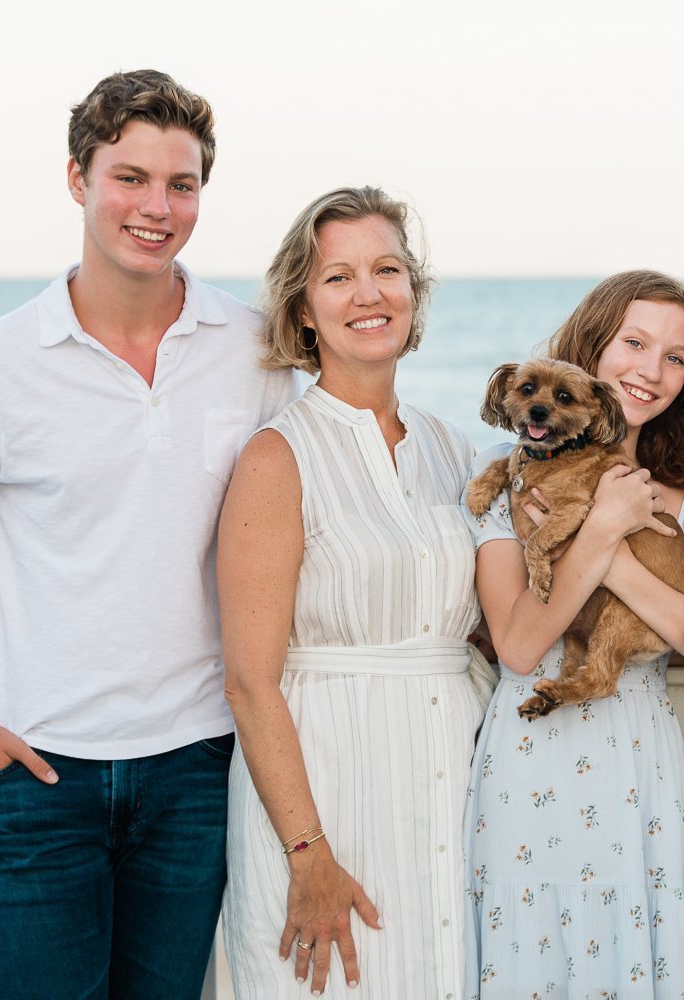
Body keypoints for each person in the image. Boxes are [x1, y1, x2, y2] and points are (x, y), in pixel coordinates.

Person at [0, 70, 296, 998]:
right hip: (36, 777)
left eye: (181, 185)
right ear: (78, 179)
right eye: (129, 177)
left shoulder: (252, 348)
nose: (156, 206)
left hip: (195, 769)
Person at [219, 186, 490, 999]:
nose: (369, 294)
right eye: (338, 278)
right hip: (329, 804)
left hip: (451, 799)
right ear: (304, 310)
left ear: (414, 291)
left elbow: (495, 630)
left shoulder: (454, 451)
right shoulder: (277, 458)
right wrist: (309, 855)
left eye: (388, 269)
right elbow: (249, 682)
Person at [463, 271, 684, 998]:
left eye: (675, 356)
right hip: (527, 767)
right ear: (592, 348)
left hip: (635, 774)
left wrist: (614, 550)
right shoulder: (503, 488)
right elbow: (523, 648)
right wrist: (598, 525)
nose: (651, 370)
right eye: (633, 343)